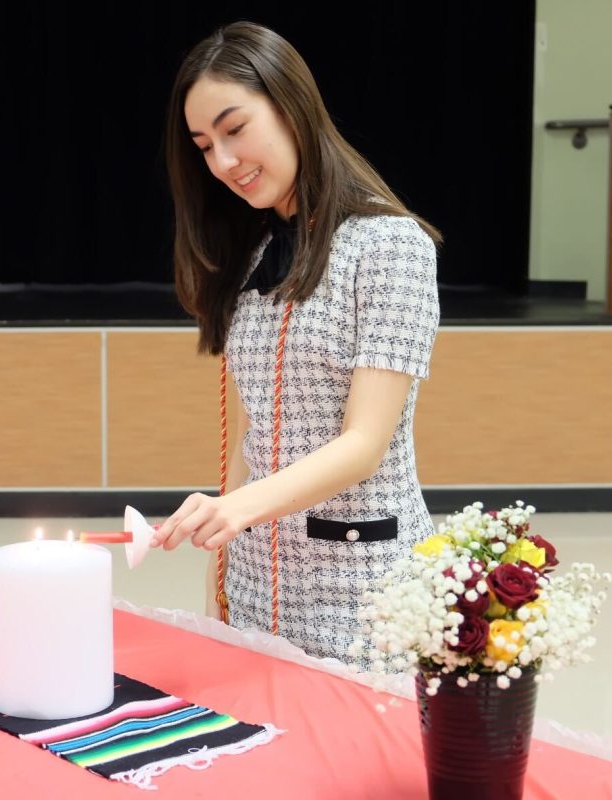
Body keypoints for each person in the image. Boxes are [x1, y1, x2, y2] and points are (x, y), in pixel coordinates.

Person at [148, 21, 442, 668]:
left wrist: (234, 510)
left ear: (291, 107)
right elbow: (252, 429)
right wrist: (221, 568)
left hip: (367, 591)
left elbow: (365, 445)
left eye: (235, 129)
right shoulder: (252, 253)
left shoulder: (391, 248)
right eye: (203, 145)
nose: (223, 162)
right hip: (255, 587)